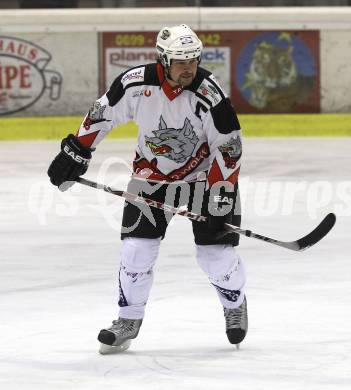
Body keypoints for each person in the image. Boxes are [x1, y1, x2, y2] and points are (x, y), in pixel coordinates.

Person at [47, 24, 247, 354]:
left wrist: (218, 195)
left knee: (216, 256)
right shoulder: (136, 83)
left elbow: (229, 147)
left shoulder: (210, 94)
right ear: (163, 60)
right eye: (180, 62)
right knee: (135, 252)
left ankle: (235, 302)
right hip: (150, 178)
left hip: (203, 179)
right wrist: (76, 151)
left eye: (193, 61)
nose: (189, 68)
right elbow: (101, 114)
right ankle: (128, 319)